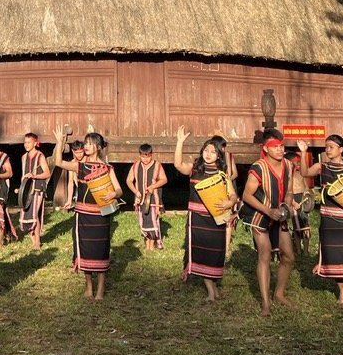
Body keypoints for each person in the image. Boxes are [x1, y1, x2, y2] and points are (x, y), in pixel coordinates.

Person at [52, 124, 123, 300]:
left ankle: (100, 289)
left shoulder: (108, 169)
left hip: (101, 214)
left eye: (90, 143)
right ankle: (89, 288)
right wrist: (60, 142)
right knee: (85, 249)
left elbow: (119, 190)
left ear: (98, 147)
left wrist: (114, 193)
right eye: (85, 143)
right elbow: (58, 162)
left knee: (101, 249)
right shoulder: (80, 166)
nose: (86, 146)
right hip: (83, 215)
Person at [299, 135, 343, 307]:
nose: (327, 150)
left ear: (340, 149)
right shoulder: (322, 166)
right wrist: (303, 153)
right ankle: (342, 292)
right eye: (326, 146)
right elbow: (305, 172)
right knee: (333, 257)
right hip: (328, 218)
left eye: (331, 146)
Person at [240, 127, 299, 316]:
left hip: (279, 214)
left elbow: (289, 191)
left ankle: (279, 293)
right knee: (264, 255)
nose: (280, 150)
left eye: (282, 146)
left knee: (288, 256)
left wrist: (287, 206)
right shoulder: (258, 167)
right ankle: (265, 303)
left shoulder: (289, 166)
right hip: (259, 216)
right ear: (265, 149)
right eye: (275, 147)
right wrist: (268, 211)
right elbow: (246, 196)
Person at [173, 128, 238, 300]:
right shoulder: (195, 168)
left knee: (215, 252)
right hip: (197, 219)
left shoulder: (222, 174)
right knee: (201, 252)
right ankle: (210, 290)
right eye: (206, 150)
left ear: (219, 155)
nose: (208, 154)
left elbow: (233, 195)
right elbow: (178, 165)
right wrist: (180, 142)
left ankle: (214, 287)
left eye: (213, 151)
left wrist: (229, 202)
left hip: (216, 220)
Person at [127, 142, 167, 250]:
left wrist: (153, 186)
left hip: (153, 199)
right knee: (143, 221)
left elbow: (164, 179)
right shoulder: (135, 166)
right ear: (139, 155)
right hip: (140, 200)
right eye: (143, 156)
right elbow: (129, 180)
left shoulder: (157, 165)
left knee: (153, 220)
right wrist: (135, 191)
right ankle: (147, 243)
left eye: (148, 156)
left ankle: (153, 245)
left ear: (151, 155)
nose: (145, 159)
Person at [17, 132, 51, 249]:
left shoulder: (40, 156)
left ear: (35, 143)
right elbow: (23, 174)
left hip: (37, 188)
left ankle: (37, 242)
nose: (26, 145)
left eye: (28, 142)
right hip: (26, 190)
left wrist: (34, 176)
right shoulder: (23, 157)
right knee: (25, 214)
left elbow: (47, 173)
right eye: (25, 142)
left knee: (34, 214)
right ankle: (33, 241)